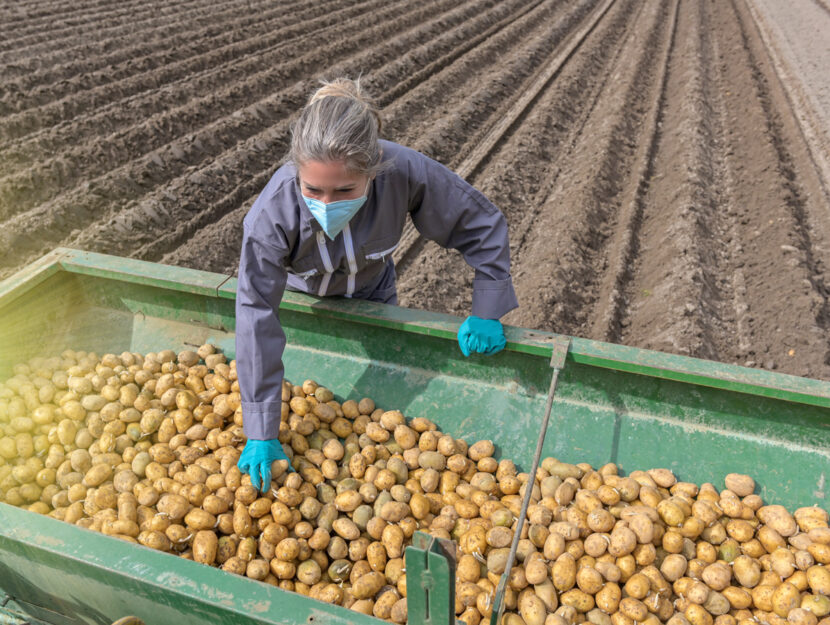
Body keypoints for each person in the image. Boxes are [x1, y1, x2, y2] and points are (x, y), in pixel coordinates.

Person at [235, 78, 518, 490]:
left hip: (373, 295)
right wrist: (260, 427)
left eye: (345, 190)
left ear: (373, 168)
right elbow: (256, 310)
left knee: (377, 408)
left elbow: (479, 223)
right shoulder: (272, 211)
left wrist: (487, 307)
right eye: (313, 190)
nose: (327, 204)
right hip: (302, 301)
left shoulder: (402, 170)